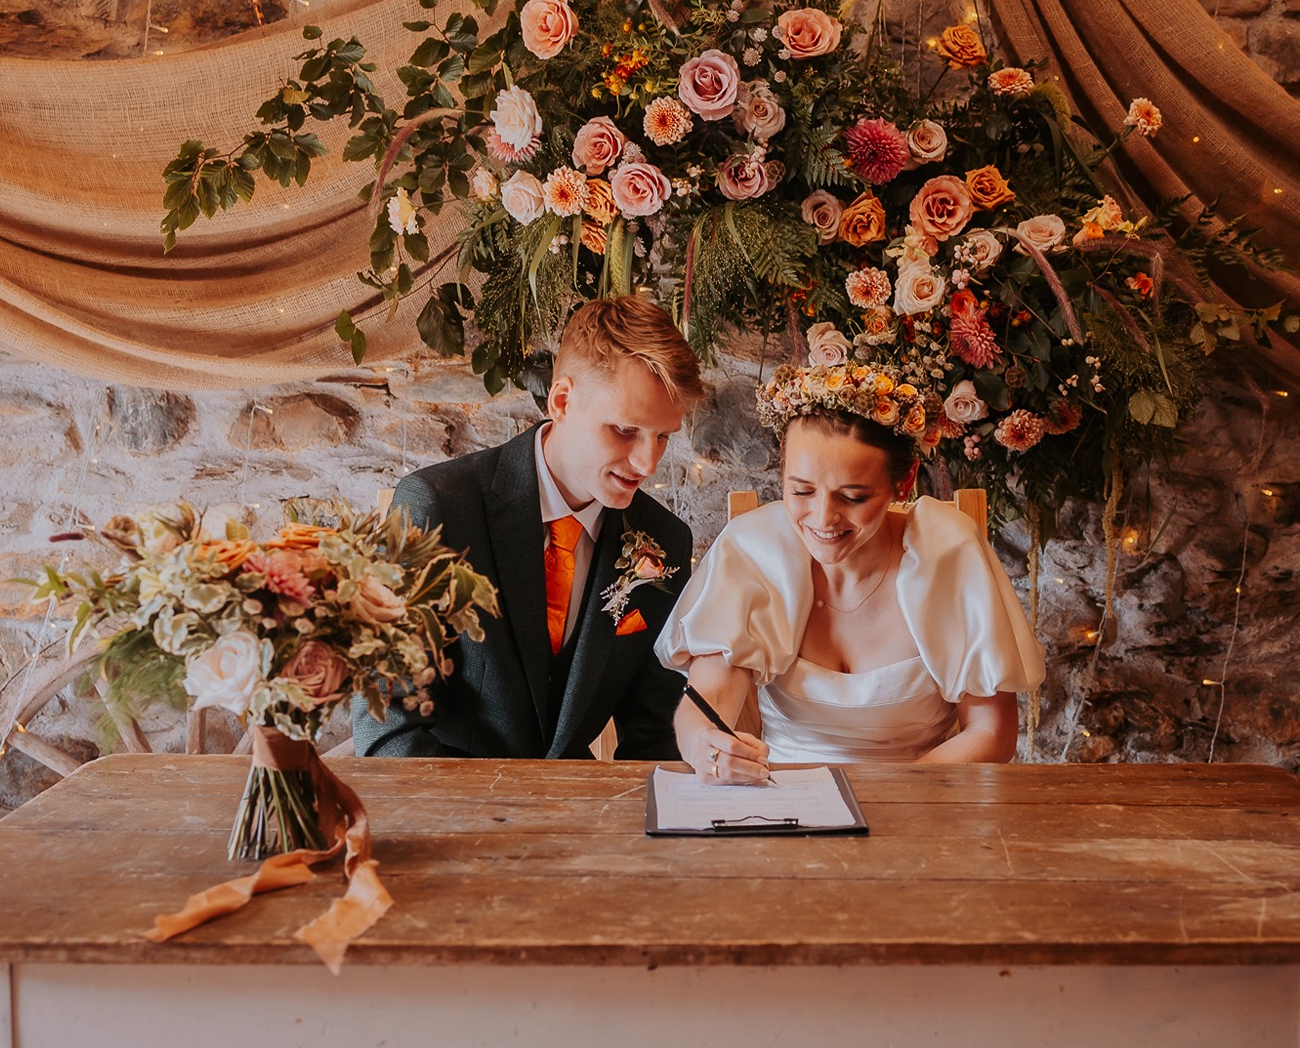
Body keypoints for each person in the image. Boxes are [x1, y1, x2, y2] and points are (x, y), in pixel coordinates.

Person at [658, 362, 1046, 782]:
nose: (823, 518)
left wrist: (890, 797)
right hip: (781, 800)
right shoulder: (755, 549)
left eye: (853, 496)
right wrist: (702, 743)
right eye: (802, 490)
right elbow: (710, 698)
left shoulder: (948, 552)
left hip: (924, 796)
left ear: (904, 482)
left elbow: (992, 732)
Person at [353, 295, 703, 760]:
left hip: (578, 800)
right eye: (624, 430)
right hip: (451, 792)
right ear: (562, 401)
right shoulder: (437, 505)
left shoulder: (664, 543)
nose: (647, 463)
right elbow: (387, 724)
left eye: (663, 437)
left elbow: (655, 736)